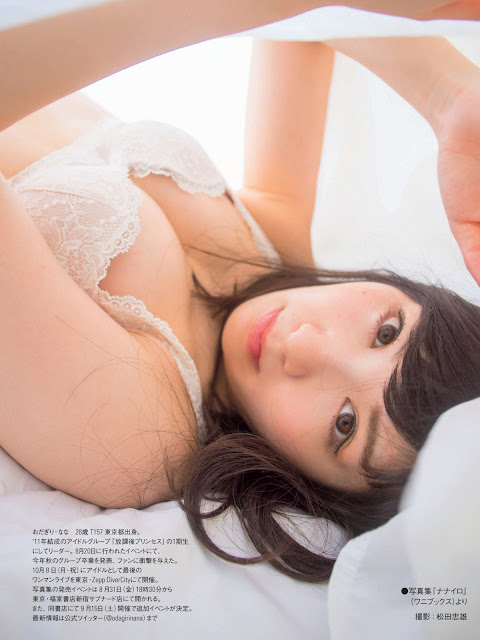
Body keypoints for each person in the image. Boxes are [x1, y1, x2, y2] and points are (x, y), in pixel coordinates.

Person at [0, 1, 479, 583]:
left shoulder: (137, 438)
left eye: (345, 424)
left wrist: (213, 11)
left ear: (309, 487)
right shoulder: (272, 246)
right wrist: (448, 95)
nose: (304, 345)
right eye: (386, 331)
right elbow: (313, 15)